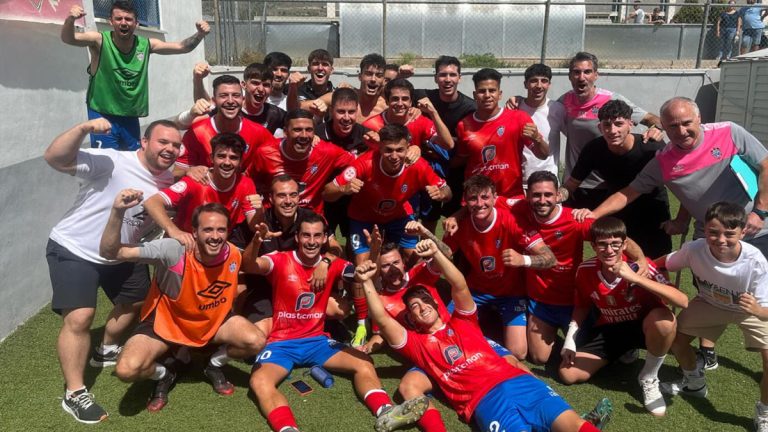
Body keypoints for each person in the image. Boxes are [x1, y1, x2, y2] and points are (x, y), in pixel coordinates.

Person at [355, 240, 607, 432]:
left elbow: (460, 284)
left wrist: (436, 254)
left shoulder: (464, 321)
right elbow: (383, 320)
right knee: (409, 386)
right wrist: (366, 281)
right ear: (410, 319)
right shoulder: (416, 344)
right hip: (486, 400)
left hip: (520, 383)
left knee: (575, 424)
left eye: (425, 301)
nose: (422, 307)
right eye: (415, 307)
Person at [45, 117, 182, 423]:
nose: (170, 149)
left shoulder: (168, 177)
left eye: (175, 145)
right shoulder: (111, 160)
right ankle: (75, 392)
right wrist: (82, 129)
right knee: (80, 317)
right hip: (75, 248)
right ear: (144, 142)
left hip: (120, 254)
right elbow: (54, 158)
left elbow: (183, 175)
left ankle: (105, 349)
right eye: (163, 142)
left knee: (135, 302)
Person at [245, 213, 429, 432]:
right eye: (306, 235)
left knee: (363, 362)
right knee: (259, 381)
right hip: (281, 343)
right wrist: (256, 241)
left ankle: (386, 411)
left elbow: (365, 274)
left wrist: (374, 252)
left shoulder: (335, 264)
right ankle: (287, 429)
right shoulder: (280, 259)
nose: (311, 241)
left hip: (317, 342)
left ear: (325, 238)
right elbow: (250, 265)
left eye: (317, 236)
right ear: (297, 237)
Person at [101, 194, 266, 411]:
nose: (215, 236)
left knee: (255, 341)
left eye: (221, 230)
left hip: (211, 321)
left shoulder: (233, 252)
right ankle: (164, 373)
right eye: (207, 230)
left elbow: (246, 263)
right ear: (194, 232)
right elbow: (111, 252)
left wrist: (255, 242)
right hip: (165, 323)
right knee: (127, 370)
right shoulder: (174, 250)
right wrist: (117, 212)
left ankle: (212, 364)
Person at [581, 97, 768, 258]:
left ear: (699, 118)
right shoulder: (662, 161)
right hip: (708, 238)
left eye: (687, 123)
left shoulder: (729, 132)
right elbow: (628, 193)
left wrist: (759, 212)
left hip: (756, 230)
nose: (681, 131)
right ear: (663, 127)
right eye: (673, 126)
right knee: (713, 296)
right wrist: (593, 214)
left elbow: (765, 165)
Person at [559, 217, 688, 416]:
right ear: (593, 245)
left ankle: (649, 376)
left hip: (645, 328)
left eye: (615, 244)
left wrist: (635, 278)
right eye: (602, 244)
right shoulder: (585, 271)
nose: (609, 250)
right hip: (612, 330)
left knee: (665, 322)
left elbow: (682, 301)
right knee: (568, 373)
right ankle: (624, 352)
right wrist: (570, 338)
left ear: (624, 245)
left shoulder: (643, 268)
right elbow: (582, 306)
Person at [656, 202, 768, 431]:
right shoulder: (695, 248)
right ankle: (694, 383)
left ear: (743, 231)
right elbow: (665, 262)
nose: (721, 240)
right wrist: (641, 266)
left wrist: (757, 310)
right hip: (710, 303)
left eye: (729, 234)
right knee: (675, 340)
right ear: (704, 229)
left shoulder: (755, 260)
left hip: (751, 311)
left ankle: (764, 412)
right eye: (713, 232)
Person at [61, 1, 209, 150]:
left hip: (130, 114)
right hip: (102, 112)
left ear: (136, 23)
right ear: (111, 21)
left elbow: (182, 47)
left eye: (128, 19)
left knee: (132, 161)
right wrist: (70, 20)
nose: (123, 23)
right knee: (106, 164)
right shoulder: (99, 41)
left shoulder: (146, 45)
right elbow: (69, 39)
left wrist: (200, 34)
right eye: (118, 19)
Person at [443, 174, 556, 359]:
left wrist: (524, 260)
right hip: (476, 291)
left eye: (485, 197)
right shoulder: (459, 225)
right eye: (473, 198)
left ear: (495, 198)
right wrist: (426, 235)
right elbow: (445, 253)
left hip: (511, 294)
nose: (479, 203)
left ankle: (479, 337)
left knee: (518, 352)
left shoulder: (512, 221)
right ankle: (482, 333)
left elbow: (549, 258)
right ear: (465, 201)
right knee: (447, 333)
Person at [323, 124, 451, 264]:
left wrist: (441, 194)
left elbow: (448, 191)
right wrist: (343, 189)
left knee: (414, 257)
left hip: (399, 216)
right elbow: (326, 193)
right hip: (363, 218)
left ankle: (401, 285)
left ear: (408, 147)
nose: (394, 156)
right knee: (363, 263)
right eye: (389, 150)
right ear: (380, 148)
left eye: (400, 150)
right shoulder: (364, 163)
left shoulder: (417, 165)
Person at [548, 52, 662, 210]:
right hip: (573, 182)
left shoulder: (610, 100)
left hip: (605, 184)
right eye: (576, 72)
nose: (581, 77)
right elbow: (540, 108)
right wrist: (518, 100)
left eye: (587, 72)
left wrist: (655, 129)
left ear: (596, 75)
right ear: (570, 76)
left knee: (604, 232)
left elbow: (652, 119)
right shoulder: (564, 101)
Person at [564, 99, 672, 259]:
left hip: (653, 213)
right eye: (607, 125)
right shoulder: (594, 148)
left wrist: (681, 220)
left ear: (631, 124)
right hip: (618, 212)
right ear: (600, 127)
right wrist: (555, 198)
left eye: (619, 124)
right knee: (618, 263)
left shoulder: (651, 147)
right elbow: (571, 184)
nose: (612, 130)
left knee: (658, 266)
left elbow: (681, 182)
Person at [238, 175, 344, 338]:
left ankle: (318, 325)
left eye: (293, 195)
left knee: (338, 311)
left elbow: (336, 248)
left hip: (304, 287)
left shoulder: (310, 219)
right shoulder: (258, 221)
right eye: (281, 195)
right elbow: (244, 263)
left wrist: (325, 262)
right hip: (266, 289)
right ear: (271, 198)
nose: (288, 201)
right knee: (257, 339)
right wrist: (257, 239)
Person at [144, 133, 258, 250]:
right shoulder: (195, 181)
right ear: (211, 158)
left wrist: (259, 211)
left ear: (240, 162)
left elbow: (255, 226)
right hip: (183, 247)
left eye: (233, 157)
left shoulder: (245, 184)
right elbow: (152, 202)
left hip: (214, 248)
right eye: (221, 156)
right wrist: (174, 231)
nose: (227, 162)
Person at [457, 68, 549, 201]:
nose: (487, 95)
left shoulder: (519, 118)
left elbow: (543, 154)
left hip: (511, 197)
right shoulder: (464, 125)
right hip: (478, 199)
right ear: (474, 94)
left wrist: (538, 139)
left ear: (500, 94)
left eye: (492, 90)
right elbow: (462, 159)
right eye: (482, 91)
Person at [249, 109, 356, 214]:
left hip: (310, 223)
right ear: (285, 132)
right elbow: (248, 181)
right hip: (273, 217)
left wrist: (338, 184)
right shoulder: (265, 153)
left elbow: (359, 163)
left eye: (309, 130)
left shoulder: (327, 152)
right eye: (297, 130)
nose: (304, 135)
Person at [415, 56, 477, 224]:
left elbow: (468, 142)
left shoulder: (470, 107)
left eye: (452, 74)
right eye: (443, 75)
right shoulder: (422, 96)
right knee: (428, 218)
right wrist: (400, 75)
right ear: (435, 78)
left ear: (459, 77)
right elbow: (393, 92)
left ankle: (452, 250)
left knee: (456, 220)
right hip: (429, 169)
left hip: (457, 168)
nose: (447, 80)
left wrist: (435, 145)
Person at [175, 75, 275, 178]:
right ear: (214, 101)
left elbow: (277, 165)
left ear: (243, 99)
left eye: (236, 95)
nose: (231, 101)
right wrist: (189, 171)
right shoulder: (197, 132)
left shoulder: (259, 132)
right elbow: (176, 173)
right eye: (224, 96)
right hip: (206, 191)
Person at [513, 64, 567, 187]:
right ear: (525, 84)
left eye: (544, 81)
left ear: (549, 84)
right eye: (533, 81)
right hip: (519, 182)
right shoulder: (515, 108)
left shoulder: (557, 109)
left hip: (548, 182)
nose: (539, 86)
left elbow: (573, 136)